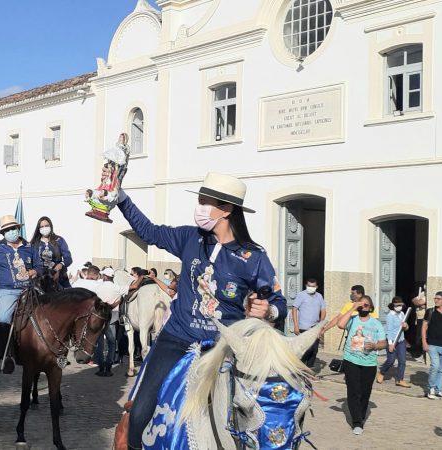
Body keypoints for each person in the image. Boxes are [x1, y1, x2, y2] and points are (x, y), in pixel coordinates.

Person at [114, 172, 287, 449]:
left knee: (253, 414)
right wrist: (121, 197)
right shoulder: (189, 238)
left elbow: (278, 302)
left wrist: (269, 310)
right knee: (140, 411)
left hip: (223, 348)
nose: (200, 208)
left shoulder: (253, 257)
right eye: (200, 201)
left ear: (227, 209)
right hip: (176, 338)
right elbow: (148, 231)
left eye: (206, 202)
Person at [0, 214, 36, 374]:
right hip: (7, 290)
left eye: (13, 228)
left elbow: (39, 265)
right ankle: (5, 354)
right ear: (3, 233)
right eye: (7, 230)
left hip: (29, 289)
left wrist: (36, 271)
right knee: (4, 318)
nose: (11, 232)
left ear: (18, 228)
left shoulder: (30, 246)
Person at [337, 295, 386, 435]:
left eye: (366, 305)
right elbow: (340, 324)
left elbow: (383, 343)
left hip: (369, 363)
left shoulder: (376, 323)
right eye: (361, 304)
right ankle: (357, 422)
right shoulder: (352, 320)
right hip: (351, 360)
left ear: (370, 308)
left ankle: (361, 415)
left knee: (365, 392)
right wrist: (353, 307)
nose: (363, 306)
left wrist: (375, 346)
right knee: (353, 391)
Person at [93, 267, 127, 377]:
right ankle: (108, 367)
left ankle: (101, 367)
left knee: (100, 343)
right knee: (112, 343)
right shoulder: (117, 287)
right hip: (112, 317)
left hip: (99, 318)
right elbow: (133, 287)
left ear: (105, 276)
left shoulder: (98, 287)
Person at [30, 216, 73, 288]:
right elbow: (32, 262)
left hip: (60, 278)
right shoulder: (34, 243)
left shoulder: (59, 240)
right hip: (41, 280)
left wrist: (60, 265)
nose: (44, 228)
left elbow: (68, 259)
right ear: (38, 229)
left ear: (51, 226)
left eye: (46, 226)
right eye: (42, 227)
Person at [377, 296, 411, 387]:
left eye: (400, 305)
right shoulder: (390, 316)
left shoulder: (402, 314)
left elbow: (405, 328)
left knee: (402, 361)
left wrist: (406, 326)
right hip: (392, 340)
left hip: (401, 340)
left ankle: (400, 379)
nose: (399, 307)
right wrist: (391, 344)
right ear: (393, 306)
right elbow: (389, 331)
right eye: (397, 305)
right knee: (391, 360)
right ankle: (382, 372)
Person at [292, 278, 326, 367]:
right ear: (306, 286)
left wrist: (321, 324)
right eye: (309, 286)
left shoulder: (319, 296)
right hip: (304, 327)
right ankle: (300, 366)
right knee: (306, 349)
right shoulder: (301, 295)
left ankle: (309, 368)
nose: (311, 288)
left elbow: (323, 310)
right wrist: (296, 325)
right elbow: (294, 309)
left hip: (315, 327)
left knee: (314, 350)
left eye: (313, 286)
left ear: (316, 287)